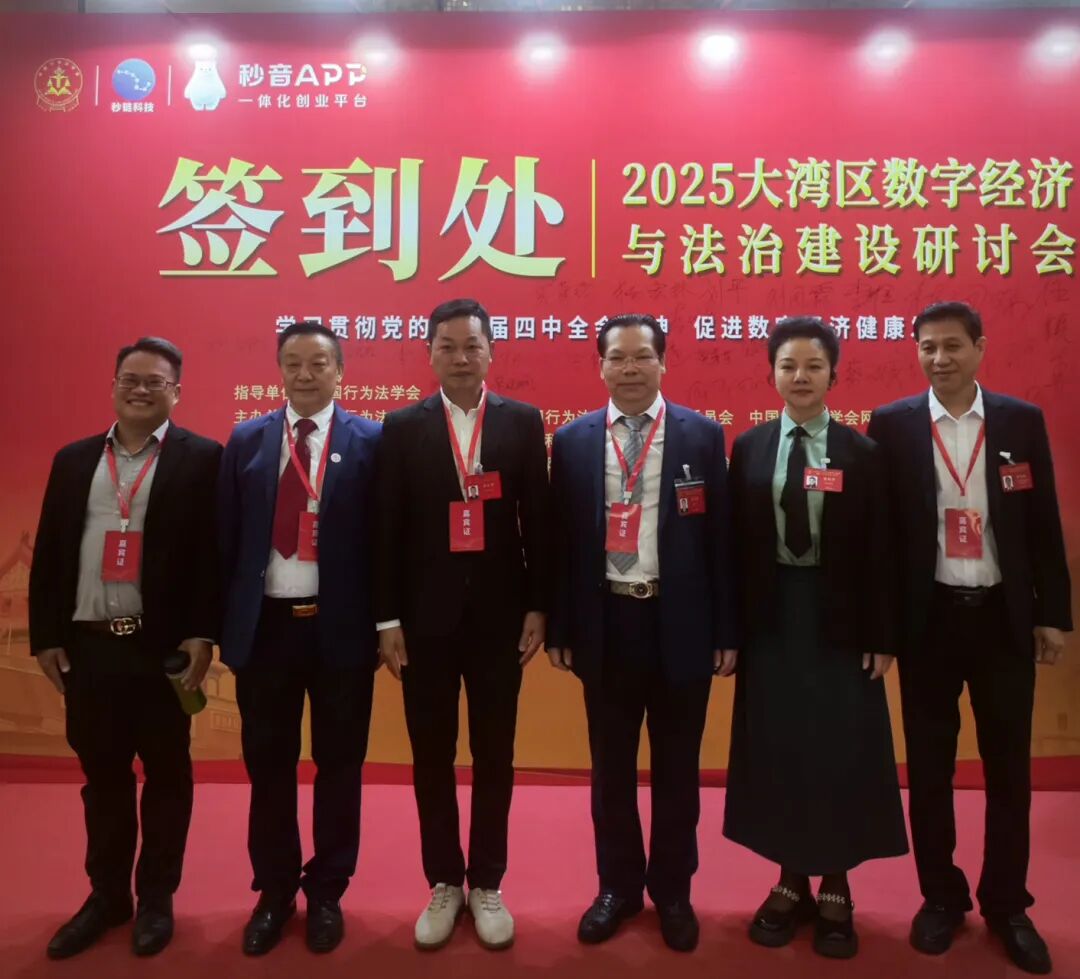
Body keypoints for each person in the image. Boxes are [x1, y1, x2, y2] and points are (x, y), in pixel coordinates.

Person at [868, 301, 1071, 976]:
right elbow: (882, 540)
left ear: (980, 347)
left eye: (953, 346)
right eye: (928, 347)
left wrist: (1051, 613)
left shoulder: (1019, 421)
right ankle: (941, 897)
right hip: (928, 621)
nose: (940, 359)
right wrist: (883, 631)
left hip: (1001, 620)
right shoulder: (893, 424)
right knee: (929, 769)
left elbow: (1042, 523)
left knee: (1008, 768)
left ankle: (1007, 902)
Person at [547, 314, 737, 952]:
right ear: (600, 366)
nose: (629, 369)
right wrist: (562, 626)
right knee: (611, 768)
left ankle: (674, 891)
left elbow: (722, 539)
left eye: (642, 357)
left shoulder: (702, 435)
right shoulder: (572, 440)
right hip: (606, 624)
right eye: (617, 358)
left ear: (663, 362)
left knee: (678, 768)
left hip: (680, 623)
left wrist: (725, 628)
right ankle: (617, 887)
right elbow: (561, 542)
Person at [722, 316, 908, 959]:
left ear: (834, 374)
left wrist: (882, 633)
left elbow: (882, 550)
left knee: (839, 749)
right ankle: (789, 877)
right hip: (772, 620)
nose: (800, 377)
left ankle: (836, 882)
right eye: (788, 366)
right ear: (772, 373)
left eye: (813, 366)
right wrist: (730, 630)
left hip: (841, 623)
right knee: (779, 748)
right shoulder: (749, 447)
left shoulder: (862, 453)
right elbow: (732, 548)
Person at [29, 337, 220, 959]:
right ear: (113, 386)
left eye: (155, 382)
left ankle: (156, 897)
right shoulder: (73, 460)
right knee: (103, 778)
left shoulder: (203, 459)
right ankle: (107, 895)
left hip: (160, 650)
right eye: (130, 379)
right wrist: (46, 636)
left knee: (167, 776)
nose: (141, 390)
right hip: (90, 650)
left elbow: (211, 557)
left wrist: (203, 633)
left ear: (176, 392)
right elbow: (51, 551)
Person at [374, 298, 549, 951]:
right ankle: (445, 880)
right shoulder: (402, 427)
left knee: (495, 753)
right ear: (429, 354)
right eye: (446, 346)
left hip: (501, 621)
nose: (460, 357)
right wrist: (388, 618)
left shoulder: (522, 422)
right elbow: (387, 529)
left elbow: (539, 521)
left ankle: (488, 882)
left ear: (491, 352)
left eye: (471, 345)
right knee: (432, 754)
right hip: (424, 623)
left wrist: (539, 605)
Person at [218, 321, 381, 955]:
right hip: (266, 632)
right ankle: (275, 890)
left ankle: (328, 892)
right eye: (293, 363)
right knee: (269, 767)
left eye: (318, 363)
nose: (305, 374)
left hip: (341, 631)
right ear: (279, 370)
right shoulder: (248, 439)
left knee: (340, 765)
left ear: (341, 371)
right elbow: (226, 540)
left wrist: (385, 624)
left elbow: (385, 540)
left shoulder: (371, 441)